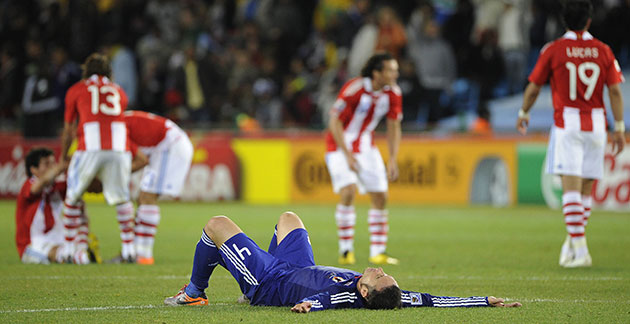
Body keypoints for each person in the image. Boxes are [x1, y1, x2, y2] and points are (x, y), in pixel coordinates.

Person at [163, 212, 521, 311]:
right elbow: (431, 299)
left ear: (364, 291)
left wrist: (307, 305)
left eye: (378, 276)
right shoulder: (390, 296)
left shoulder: (348, 296)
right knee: (290, 219)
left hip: (272, 281)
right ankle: (244, 275)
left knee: (217, 225)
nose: (380, 270)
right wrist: (481, 300)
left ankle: (195, 292)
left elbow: (324, 300)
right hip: (298, 266)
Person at [516, 0, 625, 268]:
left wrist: (524, 113)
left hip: (568, 125)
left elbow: (533, 88)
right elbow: (614, 91)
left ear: (564, 21)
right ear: (589, 21)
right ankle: (573, 243)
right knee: (586, 189)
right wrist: (620, 127)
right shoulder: (603, 50)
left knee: (571, 189)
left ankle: (580, 247)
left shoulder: (554, 49)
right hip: (597, 125)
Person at [325, 52, 402, 265]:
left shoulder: (394, 93)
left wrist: (393, 158)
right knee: (348, 191)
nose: (395, 73)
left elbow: (394, 126)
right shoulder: (354, 88)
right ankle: (345, 250)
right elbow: (334, 122)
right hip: (339, 145)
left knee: (381, 196)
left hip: (367, 147)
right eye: (390, 70)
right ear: (377, 73)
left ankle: (378, 251)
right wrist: (347, 154)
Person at [60, 53, 136, 263]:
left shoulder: (76, 89)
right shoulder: (119, 91)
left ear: (86, 71)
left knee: (73, 196)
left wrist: (63, 156)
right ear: (108, 72)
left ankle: (68, 249)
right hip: (119, 147)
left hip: (90, 145)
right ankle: (129, 250)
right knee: (122, 198)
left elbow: (68, 129)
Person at [124, 110, 194, 265]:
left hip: (170, 145)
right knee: (142, 198)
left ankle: (143, 255)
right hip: (165, 146)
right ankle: (135, 252)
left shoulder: (116, 129)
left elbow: (141, 160)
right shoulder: (119, 121)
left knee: (148, 197)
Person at [15, 147, 98, 264]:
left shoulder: (58, 186)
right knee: (61, 253)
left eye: (53, 163)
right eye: (46, 163)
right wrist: (61, 166)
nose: (52, 167)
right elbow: (37, 187)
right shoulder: (29, 184)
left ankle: (81, 248)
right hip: (32, 244)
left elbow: (93, 188)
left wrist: (80, 168)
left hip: (58, 238)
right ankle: (77, 255)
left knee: (78, 202)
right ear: (34, 170)